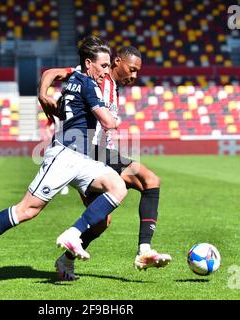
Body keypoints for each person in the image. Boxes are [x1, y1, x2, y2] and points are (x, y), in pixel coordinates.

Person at [0, 36, 127, 275]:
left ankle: (73, 234)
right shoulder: (88, 85)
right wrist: (117, 118)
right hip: (66, 156)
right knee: (27, 210)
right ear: (89, 63)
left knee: (118, 187)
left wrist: (43, 94)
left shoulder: (74, 80)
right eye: (104, 66)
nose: (107, 71)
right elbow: (108, 122)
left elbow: (50, 76)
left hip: (83, 158)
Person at [39, 46, 172, 281]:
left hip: (103, 152)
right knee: (147, 181)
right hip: (87, 152)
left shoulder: (113, 85)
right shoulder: (93, 75)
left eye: (137, 72)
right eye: (131, 69)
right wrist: (43, 94)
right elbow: (52, 72)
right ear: (116, 62)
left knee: (103, 221)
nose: (134, 75)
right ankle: (140, 251)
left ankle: (140, 251)